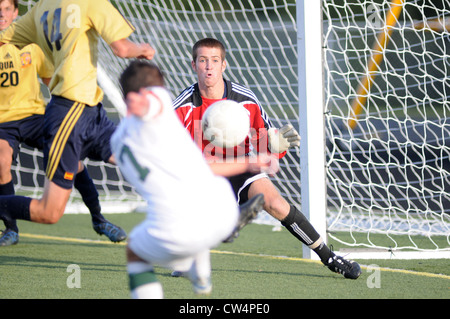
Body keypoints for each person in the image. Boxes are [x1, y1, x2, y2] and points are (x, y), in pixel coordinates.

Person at [172, 38, 362, 279]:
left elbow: (266, 143)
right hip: (201, 172)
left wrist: (275, 146)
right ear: (193, 65)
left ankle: (329, 256)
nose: (208, 67)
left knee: (274, 202)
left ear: (224, 66)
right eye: (202, 61)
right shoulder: (182, 107)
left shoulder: (245, 100)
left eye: (214, 61)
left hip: (241, 164)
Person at [114, 60, 274, 298]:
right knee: (204, 187)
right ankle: (202, 264)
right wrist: (250, 163)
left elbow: (139, 100)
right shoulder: (159, 106)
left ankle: (193, 266)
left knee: (135, 251)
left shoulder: (116, 141)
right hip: (217, 213)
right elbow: (150, 97)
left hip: (170, 233)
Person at [0, 0, 154, 231]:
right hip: (68, 113)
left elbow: (5, 39)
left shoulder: (41, 8)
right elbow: (122, 49)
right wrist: (143, 49)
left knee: (135, 156)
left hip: (90, 110)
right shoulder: (91, 2)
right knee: (49, 212)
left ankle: (186, 211)